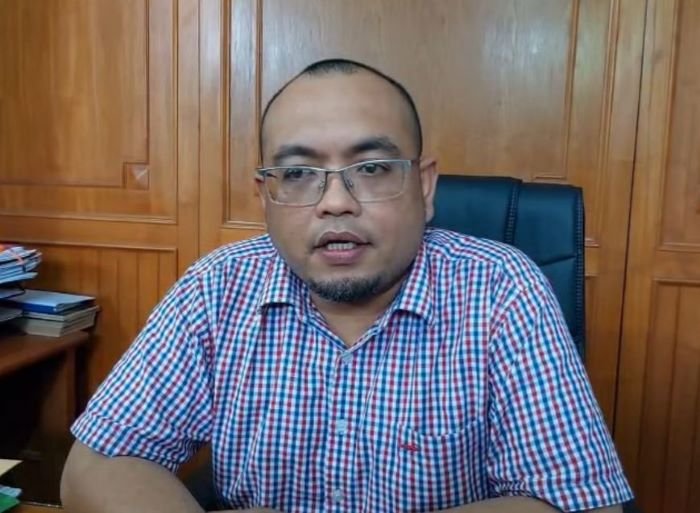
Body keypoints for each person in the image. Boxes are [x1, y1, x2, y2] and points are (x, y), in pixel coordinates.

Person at [61, 58, 633, 513]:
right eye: (298, 174)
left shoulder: (501, 289)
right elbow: (99, 463)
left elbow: (578, 501)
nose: (335, 202)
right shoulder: (219, 287)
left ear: (424, 186)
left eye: (372, 168)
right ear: (265, 197)